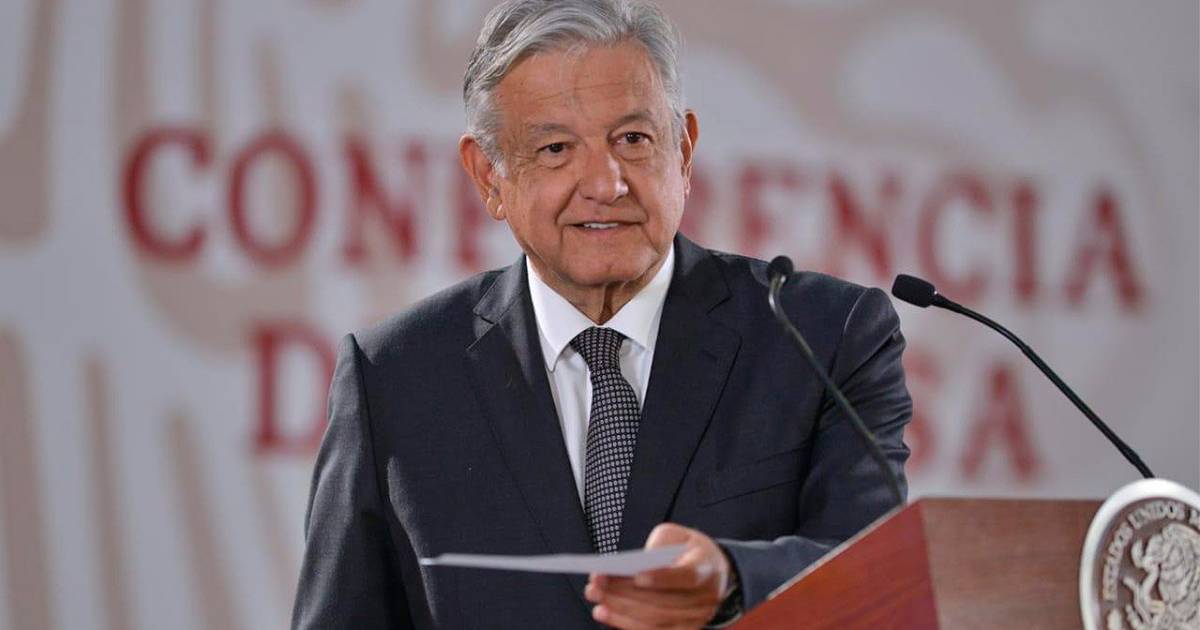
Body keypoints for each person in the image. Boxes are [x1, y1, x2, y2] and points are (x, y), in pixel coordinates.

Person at [292, 0, 911, 628]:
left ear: (684, 151)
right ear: (488, 177)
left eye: (633, 140)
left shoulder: (821, 337)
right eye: (556, 148)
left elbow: (883, 578)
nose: (606, 183)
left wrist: (733, 579)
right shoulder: (395, 377)